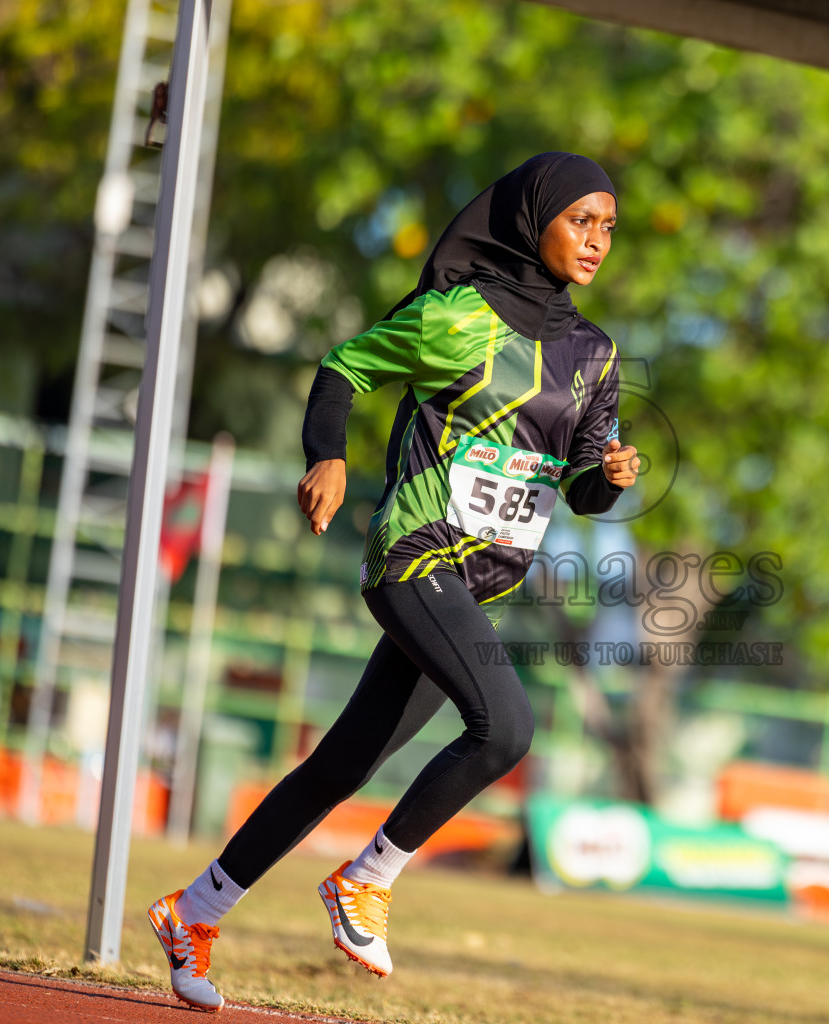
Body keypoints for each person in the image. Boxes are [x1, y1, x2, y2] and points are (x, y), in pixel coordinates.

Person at [149, 152, 640, 1012]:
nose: (597, 241)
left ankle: (193, 910)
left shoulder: (594, 355)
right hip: (415, 555)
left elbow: (582, 488)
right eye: (581, 221)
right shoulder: (457, 317)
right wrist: (326, 457)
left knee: (340, 766)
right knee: (505, 728)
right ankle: (366, 880)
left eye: (608, 226)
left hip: (474, 586)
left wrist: (613, 479)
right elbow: (344, 367)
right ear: (535, 220)